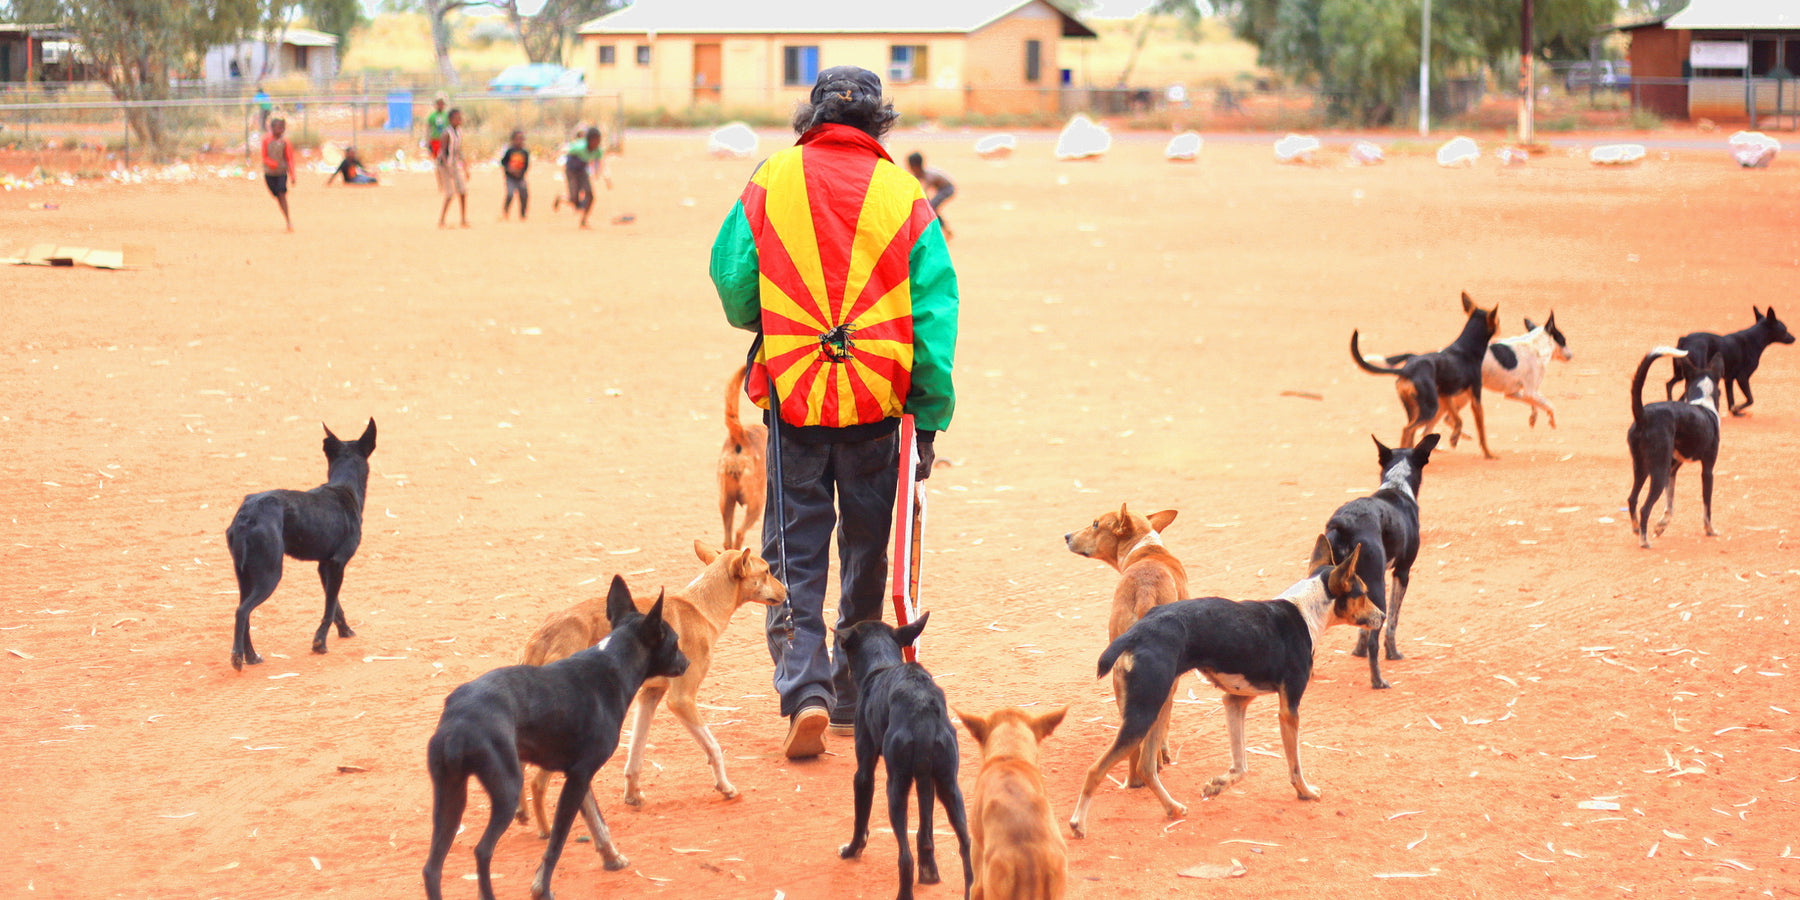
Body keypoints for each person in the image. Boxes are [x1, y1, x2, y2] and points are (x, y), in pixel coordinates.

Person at [710, 66, 959, 759]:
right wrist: (928, 417)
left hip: (795, 395)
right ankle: (854, 692)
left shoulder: (772, 179)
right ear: (881, 122)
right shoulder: (905, 195)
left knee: (794, 548)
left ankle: (805, 691)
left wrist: (782, 313)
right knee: (867, 547)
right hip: (879, 403)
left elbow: (734, 285)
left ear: (809, 117)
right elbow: (935, 316)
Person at [555, 126, 610, 229]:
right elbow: (566, 153)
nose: (597, 143)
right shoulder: (580, 147)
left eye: (598, 140)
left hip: (582, 171)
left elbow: (599, 162)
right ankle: (561, 198)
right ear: (589, 140)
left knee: (590, 195)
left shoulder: (597, 150)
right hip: (571, 171)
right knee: (574, 199)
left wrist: (600, 174)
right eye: (595, 140)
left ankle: (583, 220)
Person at [906, 151, 955, 240]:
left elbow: (924, 192)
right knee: (932, 208)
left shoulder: (928, 176)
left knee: (931, 209)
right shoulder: (919, 173)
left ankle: (941, 231)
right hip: (941, 189)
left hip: (947, 189)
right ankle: (945, 231)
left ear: (915, 166)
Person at [436, 108, 470, 228]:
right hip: (444, 165)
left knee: (463, 191)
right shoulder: (446, 134)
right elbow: (443, 153)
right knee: (450, 193)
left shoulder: (459, 132)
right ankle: (442, 220)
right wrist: (448, 168)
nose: (460, 120)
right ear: (451, 120)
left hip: (454, 164)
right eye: (457, 118)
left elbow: (458, 151)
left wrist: (465, 167)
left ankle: (463, 219)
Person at [261, 116, 296, 231]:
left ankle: (288, 221)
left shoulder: (285, 142)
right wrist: (272, 163)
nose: (281, 129)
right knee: (276, 195)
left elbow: (289, 158)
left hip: (281, 172)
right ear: (272, 128)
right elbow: (264, 157)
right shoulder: (266, 140)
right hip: (269, 173)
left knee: (282, 194)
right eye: (279, 127)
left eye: (283, 127)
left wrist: (292, 175)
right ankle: (286, 216)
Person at [499, 129, 530, 220]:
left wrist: (521, 173)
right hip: (510, 178)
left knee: (524, 194)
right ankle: (506, 209)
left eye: (521, 139)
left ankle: (523, 212)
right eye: (517, 139)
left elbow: (526, 165)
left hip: (520, 177)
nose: (519, 141)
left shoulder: (524, 152)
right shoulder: (510, 151)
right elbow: (503, 162)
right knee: (510, 194)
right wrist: (509, 169)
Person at [425, 95, 449, 160]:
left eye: (442, 103)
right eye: (439, 103)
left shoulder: (447, 116)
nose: (440, 105)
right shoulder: (432, 116)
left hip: (445, 142)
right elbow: (428, 130)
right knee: (436, 159)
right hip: (435, 140)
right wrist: (428, 143)